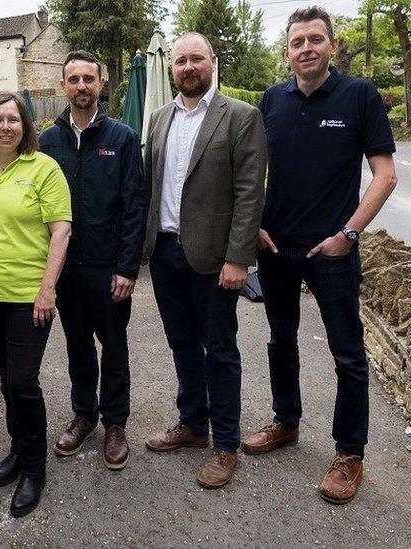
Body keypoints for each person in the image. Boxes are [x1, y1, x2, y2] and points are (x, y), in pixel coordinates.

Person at [242, 6, 397, 504]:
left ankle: (350, 452)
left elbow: (385, 175)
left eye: (314, 39)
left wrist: (348, 235)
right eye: (296, 42)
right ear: (286, 52)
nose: (305, 48)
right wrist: (257, 225)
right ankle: (286, 421)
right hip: (277, 247)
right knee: (280, 339)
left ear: (331, 45)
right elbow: (253, 170)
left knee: (348, 355)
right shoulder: (272, 99)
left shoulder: (359, 96)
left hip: (332, 250)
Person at [142, 33, 266, 489]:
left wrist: (239, 258)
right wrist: (145, 246)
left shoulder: (240, 116)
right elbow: (150, 184)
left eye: (197, 58)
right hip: (165, 253)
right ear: (172, 69)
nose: (188, 66)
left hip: (216, 260)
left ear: (213, 61)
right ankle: (193, 424)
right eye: (180, 61)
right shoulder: (158, 119)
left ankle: (226, 444)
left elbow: (250, 193)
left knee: (221, 351)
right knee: (181, 344)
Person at [0, 91, 71, 517]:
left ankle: (34, 468)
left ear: (26, 127)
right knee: (8, 378)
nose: (5, 126)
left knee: (24, 382)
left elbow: (60, 231)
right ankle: (17, 447)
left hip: (29, 296)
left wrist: (47, 288)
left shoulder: (44, 168)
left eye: (14, 120)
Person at [39, 50, 147, 469]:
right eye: (74, 79)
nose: (81, 86)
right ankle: (85, 414)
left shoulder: (121, 137)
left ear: (102, 83)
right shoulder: (47, 141)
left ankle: (115, 422)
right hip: (68, 268)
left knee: (114, 345)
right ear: (63, 86)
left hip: (107, 266)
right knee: (77, 344)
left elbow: (135, 205)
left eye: (89, 78)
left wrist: (127, 267)